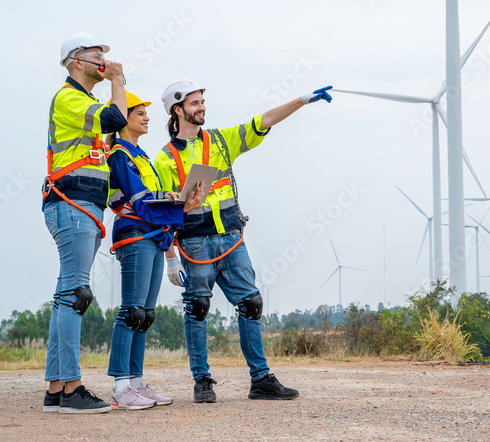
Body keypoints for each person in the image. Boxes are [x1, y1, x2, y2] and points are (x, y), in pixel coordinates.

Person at [153, 79, 333, 403]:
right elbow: (163, 215)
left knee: (251, 304)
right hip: (194, 245)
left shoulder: (223, 140)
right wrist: (169, 258)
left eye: (202, 102)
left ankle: (260, 379)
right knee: (198, 309)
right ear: (177, 110)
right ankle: (202, 381)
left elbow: (263, 121)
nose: (201, 107)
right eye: (194, 103)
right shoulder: (164, 159)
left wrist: (302, 101)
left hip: (232, 240)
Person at [42, 33, 126, 414]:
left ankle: (57, 389)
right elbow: (116, 117)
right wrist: (119, 82)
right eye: (97, 56)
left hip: (83, 204)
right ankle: (73, 388)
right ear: (77, 61)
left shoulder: (84, 102)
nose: (104, 61)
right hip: (71, 202)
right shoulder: (70, 98)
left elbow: (99, 155)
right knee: (76, 294)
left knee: (66, 295)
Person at [105, 91, 204, 410]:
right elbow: (140, 200)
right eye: (139, 113)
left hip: (153, 234)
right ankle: (121, 386)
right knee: (131, 310)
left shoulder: (141, 154)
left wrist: (183, 203)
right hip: (134, 234)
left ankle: (135, 383)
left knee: (145, 316)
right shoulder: (120, 154)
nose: (148, 117)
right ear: (123, 119)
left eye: (147, 113)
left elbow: (154, 201)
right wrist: (177, 200)